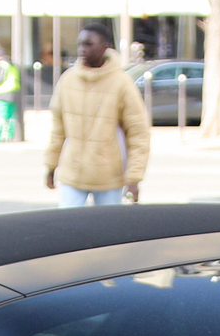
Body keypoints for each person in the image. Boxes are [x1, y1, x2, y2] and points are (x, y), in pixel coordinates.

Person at [44, 21, 150, 208]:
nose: (82, 49)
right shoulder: (68, 79)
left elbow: (138, 133)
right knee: (68, 229)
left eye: (88, 44)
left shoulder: (121, 83)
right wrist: (51, 165)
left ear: (105, 47)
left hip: (109, 178)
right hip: (72, 174)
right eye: (80, 44)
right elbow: (57, 129)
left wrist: (134, 178)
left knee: (108, 233)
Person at [0, 43, 21, 142]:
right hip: (14, 93)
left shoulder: (1, 64)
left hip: (3, 93)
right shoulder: (12, 65)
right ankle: (10, 135)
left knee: (0, 116)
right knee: (11, 116)